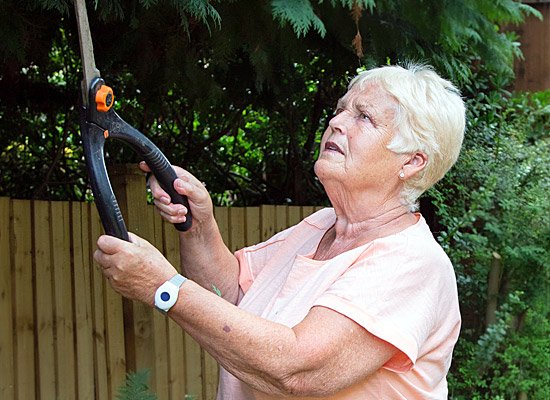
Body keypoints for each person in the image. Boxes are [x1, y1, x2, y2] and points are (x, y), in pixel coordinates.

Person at [94, 63, 465, 399]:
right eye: (340, 110)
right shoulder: (320, 226)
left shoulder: (413, 264)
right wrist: (198, 225)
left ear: (412, 161)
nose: (337, 122)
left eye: (364, 117)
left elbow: (297, 369)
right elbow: (230, 295)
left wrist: (163, 287)